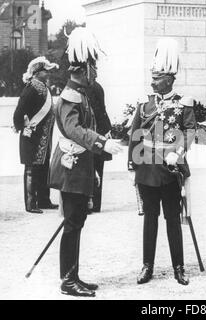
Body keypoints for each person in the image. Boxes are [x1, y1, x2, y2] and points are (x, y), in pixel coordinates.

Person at [48, 27, 123, 297]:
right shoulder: (70, 96)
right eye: (94, 65)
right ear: (83, 68)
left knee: (77, 222)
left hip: (80, 167)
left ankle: (73, 275)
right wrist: (101, 143)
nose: (97, 71)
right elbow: (73, 130)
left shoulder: (80, 94)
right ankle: (68, 281)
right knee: (72, 224)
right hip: (71, 168)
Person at [128, 38, 196, 286]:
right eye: (152, 77)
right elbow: (134, 135)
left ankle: (179, 266)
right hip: (147, 169)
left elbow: (190, 132)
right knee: (150, 219)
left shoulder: (183, 103)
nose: (152, 81)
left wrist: (177, 153)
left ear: (168, 78)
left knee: (172, 218)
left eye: (157, 77)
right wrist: (132, 166)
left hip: (170, 169)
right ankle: (147, 266)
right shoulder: (145, 103)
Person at [13, 57, 59, 214]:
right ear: (38, 72)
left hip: (44, 137)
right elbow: (18, 113)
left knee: (44, 167)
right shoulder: (30, 88)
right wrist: (22, 127)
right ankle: (31, 203)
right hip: (32, 136)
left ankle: (44, 200)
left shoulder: (43, 88)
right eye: (45, 71)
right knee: (31, 168)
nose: (48, 73)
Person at [86, 80, 113, 213]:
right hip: (99, 129)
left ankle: (92, 203)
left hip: (96, 130)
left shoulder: (91, 87)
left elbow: (98, 109)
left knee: (94, 167)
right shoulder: (94, 85)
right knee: (96, 168)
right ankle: (94, 203)